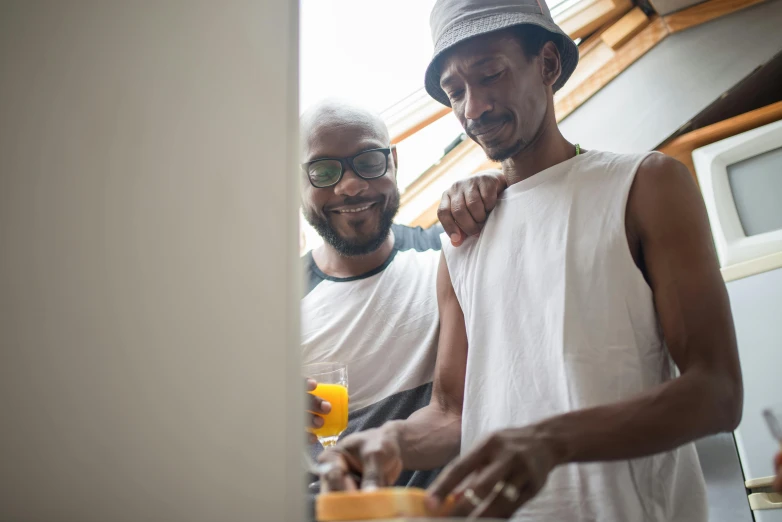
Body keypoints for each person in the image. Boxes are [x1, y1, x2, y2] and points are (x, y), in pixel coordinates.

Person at [318, 1, 745, 521]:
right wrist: (385, 441)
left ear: (547, 64)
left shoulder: (645, 186)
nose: (472, 108)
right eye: (455, 92)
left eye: (490, 74)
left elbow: (717, 391)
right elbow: (452, 415)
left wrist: (551, 439)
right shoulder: (460, 239)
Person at [300, 99, 506, 491]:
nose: (350, 185)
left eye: (368, 160)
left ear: (393, 161)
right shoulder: (274, 308)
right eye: (324, 170)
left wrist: (495, 182)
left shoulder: (452, 254)